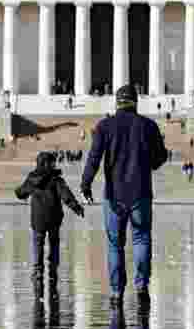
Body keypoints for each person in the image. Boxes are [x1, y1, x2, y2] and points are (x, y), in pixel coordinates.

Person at [82, 84, 168, 309]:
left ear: (116, 102)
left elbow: (94, 158)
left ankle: (116, 292)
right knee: (141, 238)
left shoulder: (105, 126)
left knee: (115, 245)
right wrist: (146, 164)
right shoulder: (148, 126)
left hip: (114, 195)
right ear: (136, 102)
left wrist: (85, 184)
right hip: (141, 193)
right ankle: (141, 288)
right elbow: (160, 157)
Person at [15, 151, 85, 299]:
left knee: (38, 244)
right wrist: (76, 207)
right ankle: (53, 269)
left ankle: (38, 271)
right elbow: (66, 195)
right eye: (53, 162)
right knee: (54, 244)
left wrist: (19, 191)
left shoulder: (32, 179)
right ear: (47, 163)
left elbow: (21, 193)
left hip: (38, 220)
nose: (55, 164)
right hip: (53, 219)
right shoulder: (56, 179)